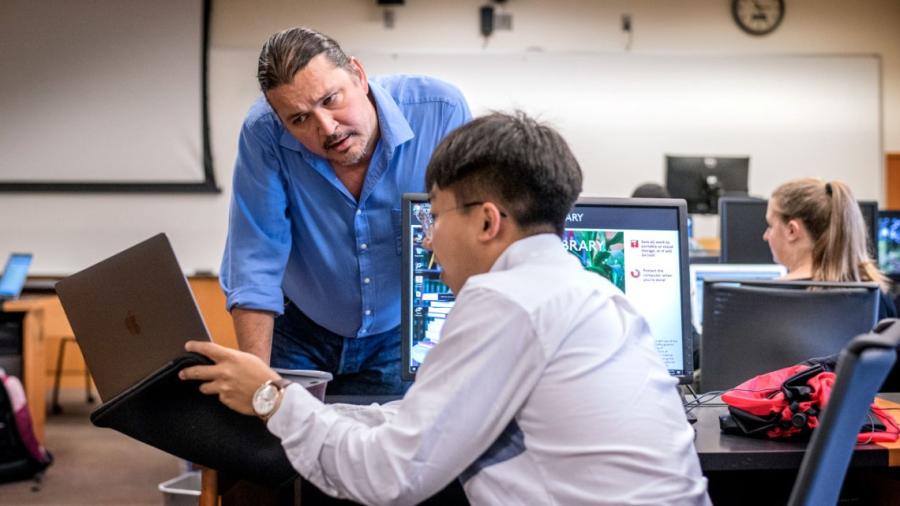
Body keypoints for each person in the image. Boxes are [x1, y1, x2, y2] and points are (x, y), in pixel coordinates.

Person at [181, 112, 711, 505]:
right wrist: (315, 409)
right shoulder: (596, 295)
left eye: (434, 216)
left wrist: (272, 398)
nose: (428, 241)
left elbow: (388, 477)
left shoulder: (505, 300)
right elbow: (426, 420)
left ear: (487, 222)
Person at [220, 27, 471, 395]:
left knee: (387, 447)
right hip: (300, 330)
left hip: (399, 334)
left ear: (359, 74)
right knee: (282, 449)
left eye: (330, 99)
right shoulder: (264, 134)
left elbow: (475, 235)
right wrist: (259, 387)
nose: (327, 128)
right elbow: (255, 258)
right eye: (299, 120)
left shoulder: (440, 112)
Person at [764, 178, 897, 319]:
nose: (765, 236)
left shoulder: (763, 300)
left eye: (770, 226)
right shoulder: (877, 297)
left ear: (792, 230)